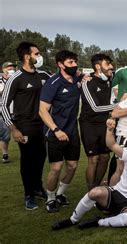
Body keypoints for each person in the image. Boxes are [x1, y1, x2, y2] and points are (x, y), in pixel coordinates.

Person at [51, 118, 127, 230]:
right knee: (94, 192)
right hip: (116, 194)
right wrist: (109, 130)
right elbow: (111, 145)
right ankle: (72, 220)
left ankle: (99, 222)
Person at [1, 42, 51, 210]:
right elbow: (3, 105)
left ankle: (37, 187)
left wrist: (84, 78)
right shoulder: (16, 78)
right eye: (37, 54)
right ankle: (28, 194)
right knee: (28, 161)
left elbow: (60, 82)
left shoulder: (43, 74)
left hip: (43, 125)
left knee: (40, 157)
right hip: (24, 125)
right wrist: (13, 128)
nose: (40, 56)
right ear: (27, 56)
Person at [39, 50, 82, 213]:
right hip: (55, 133)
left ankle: (60, 194)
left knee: (72, 166)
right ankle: (50, 198)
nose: (74, 65)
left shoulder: (77, 79)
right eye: (70, 63)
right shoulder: (53, 83)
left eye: (74, 62)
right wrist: (56, 130)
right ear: (60, 64)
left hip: (72, 132)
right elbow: (42, 111)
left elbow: (85, 77)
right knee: (56, 168)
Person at [80, 54, 116, 190]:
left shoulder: (110, 79)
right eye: (108, 64)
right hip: (89, 124)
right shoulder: (87, 82)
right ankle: (90, 193)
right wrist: (118, 105)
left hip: (104, 124)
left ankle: (97, 187)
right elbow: (95, 108)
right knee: (93, 160)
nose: (111, 67)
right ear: (98, 66)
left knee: (105, 158)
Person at [0, 62, 16, 163]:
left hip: (18, 111)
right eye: (8, 67)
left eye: (13, 67)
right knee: (5, 136)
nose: (11, 69)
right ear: (3, 70)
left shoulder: (18, 79)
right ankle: (5, 154)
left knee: (25, 133)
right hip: (3, 112)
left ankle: (28, 153)